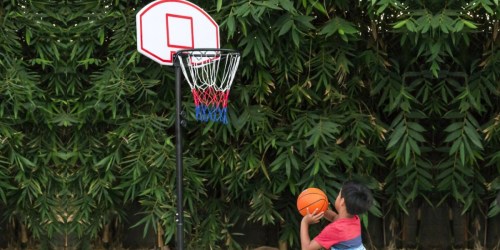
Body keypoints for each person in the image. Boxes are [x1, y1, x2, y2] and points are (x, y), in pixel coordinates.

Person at [300, 181, 373, 250]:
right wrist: (323, 209)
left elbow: (306, 248)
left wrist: (305, 222)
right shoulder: (355, 219)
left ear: (342, 202)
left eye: (339, 195)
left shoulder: (334, 230)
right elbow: (334, 217)